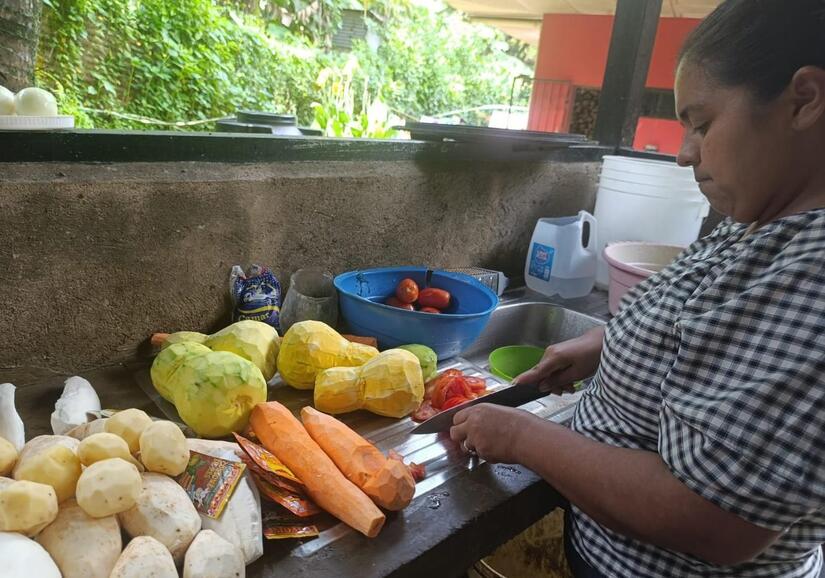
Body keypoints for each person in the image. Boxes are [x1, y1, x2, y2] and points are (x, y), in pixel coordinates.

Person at [449, 1, 825, 576]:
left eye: (702, 123)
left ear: (803, 100)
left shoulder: (811, 275)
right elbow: (698, 317)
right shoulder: (762, 221)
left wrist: (522, 437)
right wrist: (603, 348)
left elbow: (712, 518)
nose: (685, 153)